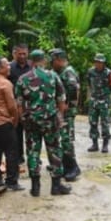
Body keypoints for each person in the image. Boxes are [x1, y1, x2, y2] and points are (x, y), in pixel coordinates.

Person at [15, 49, 70, 196]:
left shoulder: (22, 79)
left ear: (31, 62)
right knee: (54, 150)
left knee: (33, 152)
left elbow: (19, 104)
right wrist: (59, 116)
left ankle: (35, 186)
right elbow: (61, 100)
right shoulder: (53, 76)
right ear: (44, 60)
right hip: (50, 120)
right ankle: (56, 186)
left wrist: (23, 119)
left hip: (31, 121)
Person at [0, 57, 24, 191]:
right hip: (4, 122)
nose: (10, 67)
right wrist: (15, 119)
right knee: (11, 152)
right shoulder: (5, 84)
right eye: (7, 65)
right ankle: (12, 181)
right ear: (1, 68)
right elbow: (12, 106)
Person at [50, 49, 82, 181]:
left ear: (59, 60)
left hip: (67, 111)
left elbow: (74, 88)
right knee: (61, 138)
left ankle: (73, 168)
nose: (51, 63)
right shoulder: (59, 72)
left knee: (66, 138)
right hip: (61, 110)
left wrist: (69, 104)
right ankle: (63, 164)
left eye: (53, 60)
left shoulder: (68, 71)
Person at [86, 53, 111, 153]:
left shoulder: (109, 73)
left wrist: (105, 94)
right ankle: (94, 144)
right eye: (96, 62)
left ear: (103, 63)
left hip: (104, 101)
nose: (98, 64)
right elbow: (89, 83)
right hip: (94, 100)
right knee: (92, 122)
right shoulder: (91, 71)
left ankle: (105, 145)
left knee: (105, 123)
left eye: (100, 62)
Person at [8, 44, 32, 168]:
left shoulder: (32, 66)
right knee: (16, 133)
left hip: (31, 106)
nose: (22, 56)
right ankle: (19, 156)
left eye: (24, 53)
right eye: (19, 53)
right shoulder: (9, 68)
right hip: (14, 106)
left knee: (31, 134)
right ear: (14, 54)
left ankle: (32, 157)